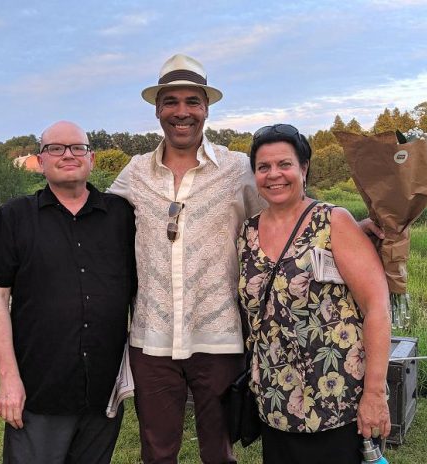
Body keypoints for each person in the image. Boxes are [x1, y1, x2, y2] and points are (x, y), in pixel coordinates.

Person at [108, 53, 264, 463]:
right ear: (158, 109)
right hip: (151, 339)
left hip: (219, 336)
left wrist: (352, 227)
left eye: (192, 101)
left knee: (219, 452)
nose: (182, 112)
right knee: (157, 452)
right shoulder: (135, 173)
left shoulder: (237, 170)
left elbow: (285, 215)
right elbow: (95, 225)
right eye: (171, 102)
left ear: (206, 109)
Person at [237, 123, 392, 464]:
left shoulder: (333, 221)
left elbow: (377, 306)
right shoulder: (247, 232)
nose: (274, 174)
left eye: (284, 164)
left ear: (303, 168)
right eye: (263, 167)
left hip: (335, 400)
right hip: (275, 402)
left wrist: (375, 393)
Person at [0, 121, 136, 464]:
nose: (68, 155)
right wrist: (8, 378)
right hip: (39, 391)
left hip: (103, 392)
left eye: (77, 148)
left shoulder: (122, 217)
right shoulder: (14, 217)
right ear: (40, 160)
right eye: (56, 148)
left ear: (92, 158)